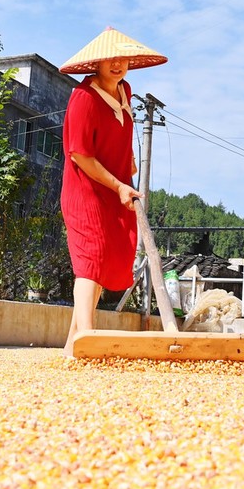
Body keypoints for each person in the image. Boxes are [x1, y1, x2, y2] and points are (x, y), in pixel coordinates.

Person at [58, 27, 167, 356]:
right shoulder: (84, 98)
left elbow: (118, 134)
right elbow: (79, 154)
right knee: (89, 261)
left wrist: (128, 163)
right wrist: (119, 184)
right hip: (86, 192)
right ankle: (89, 338)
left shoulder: (125, 90)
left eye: (123, 59)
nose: (118, 65)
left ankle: (72, 347)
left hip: (115, 190)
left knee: (103, 262)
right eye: (111, 60)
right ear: (97, 63)